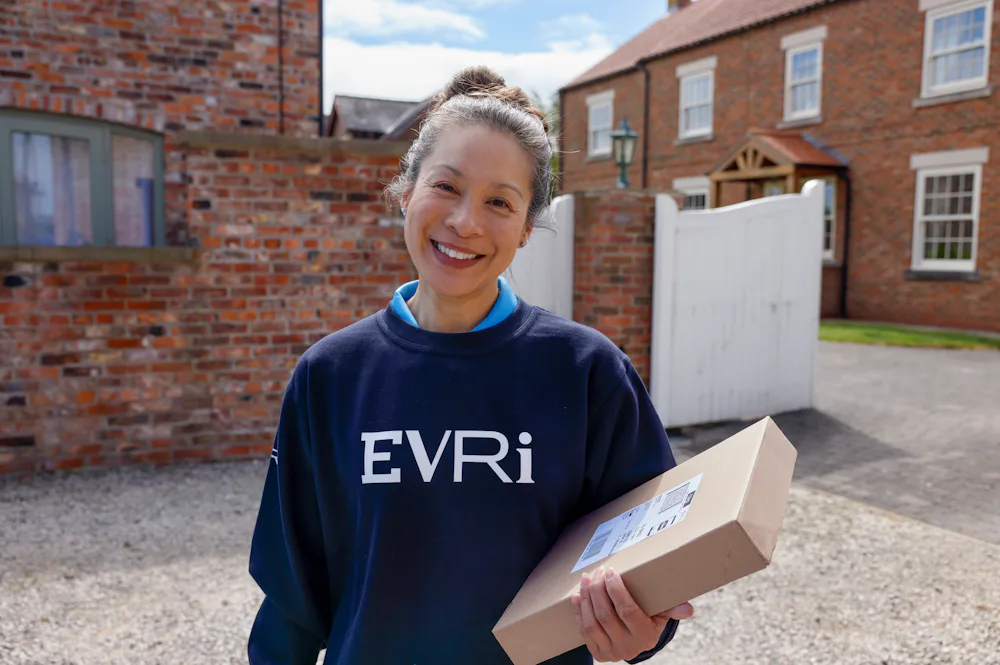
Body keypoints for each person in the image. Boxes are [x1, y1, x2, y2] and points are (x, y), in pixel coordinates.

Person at [247, 65, 694, 665]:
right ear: (407, 191)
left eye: (500, 202)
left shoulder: (588, 372)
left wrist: (644, 634)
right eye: (446, 187)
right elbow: (292, 598)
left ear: (528, 227)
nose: (465, 222)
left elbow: (651, 562)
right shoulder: (330, 376)